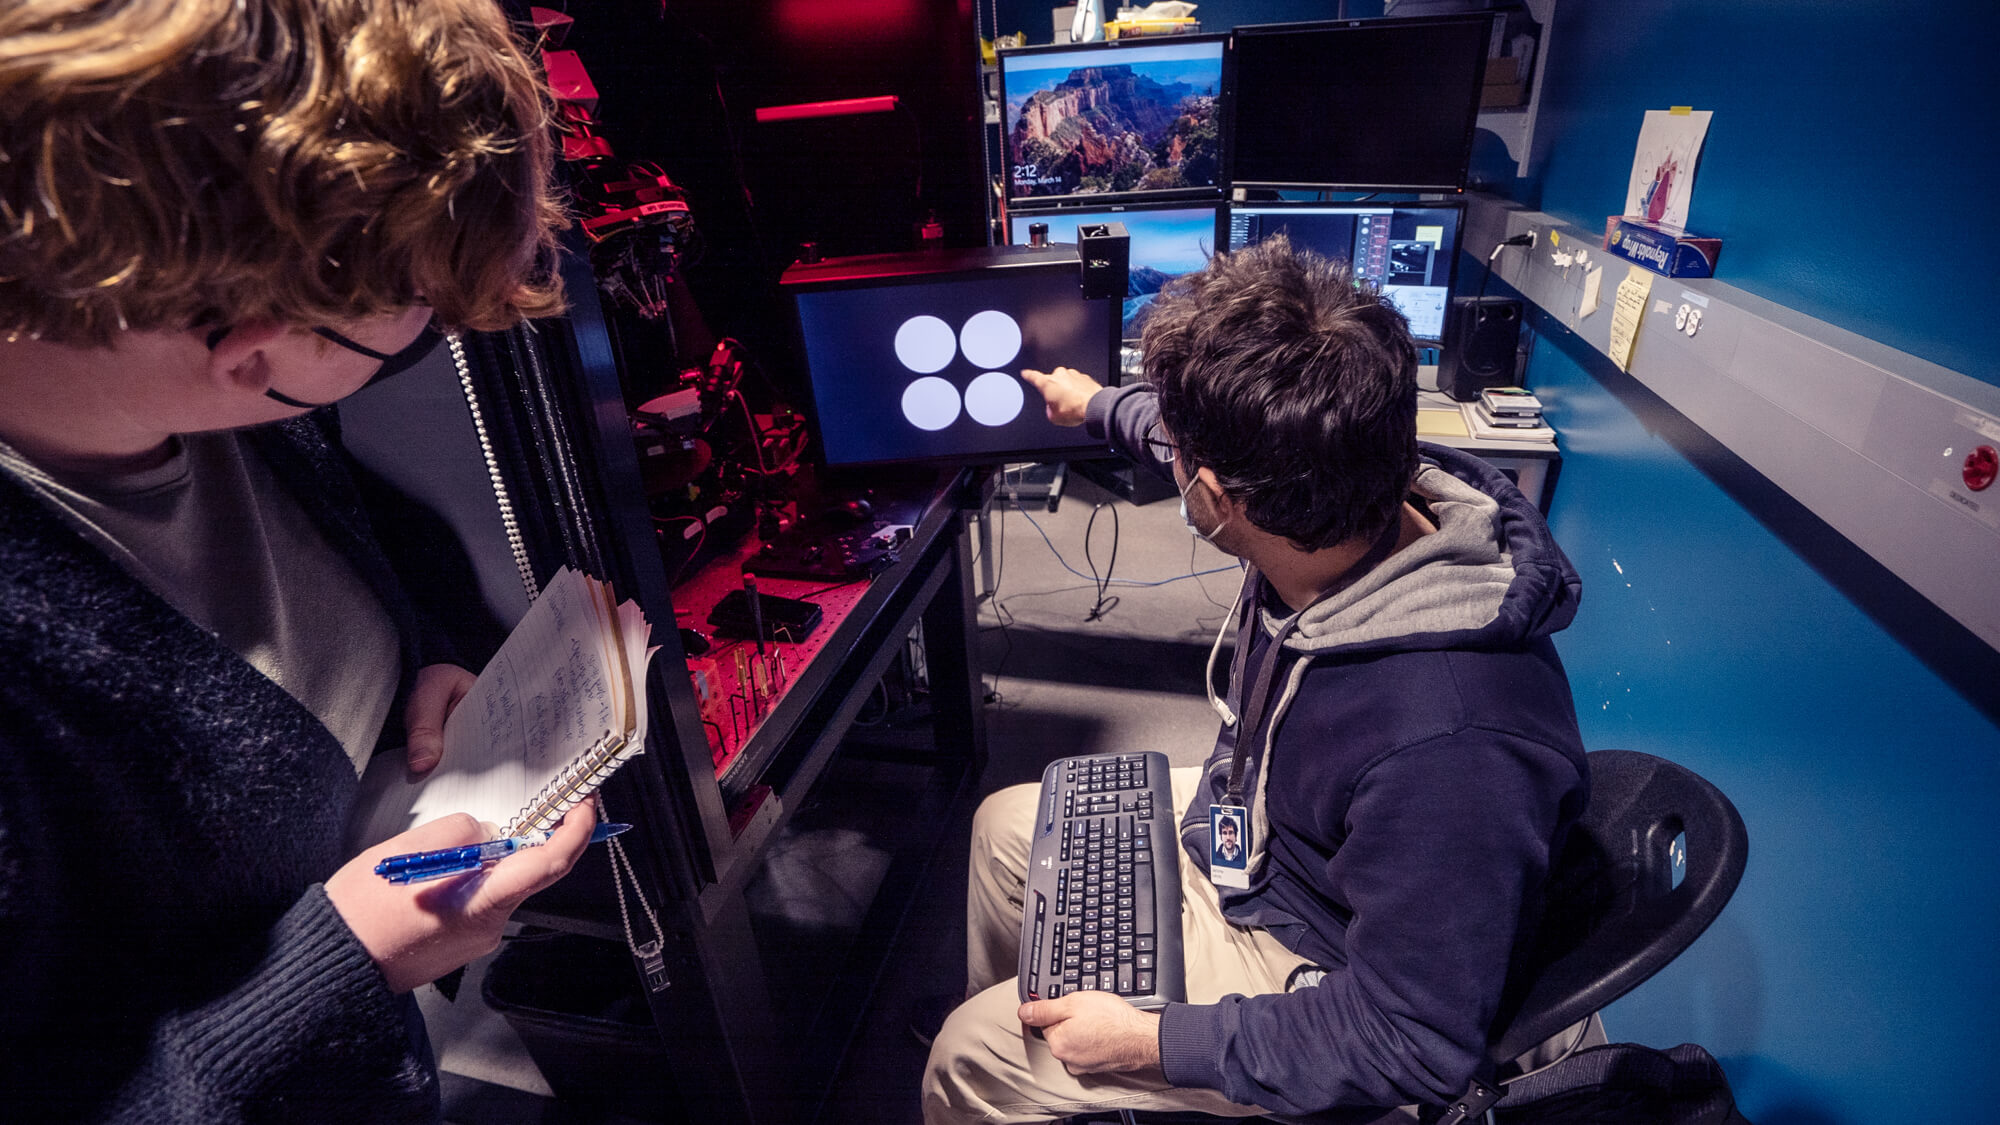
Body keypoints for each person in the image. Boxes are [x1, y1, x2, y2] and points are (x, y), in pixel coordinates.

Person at [0, 1, 593, 1120]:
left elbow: (309, 582)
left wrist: (411, 669)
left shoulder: (228, 405)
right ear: (250, 344)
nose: (420, 339)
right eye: (407, 318)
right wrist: (334, 970)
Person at [921, 237, 1592, 1123]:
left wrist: (1152, 1044)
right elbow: (1173, 435)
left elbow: (1410, 1040)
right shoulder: (1339, 484)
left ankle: (1025, 1065)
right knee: (1009, 824)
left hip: (1321, 962)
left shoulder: (1451, 742)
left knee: (965, 1057)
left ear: (1209, 504)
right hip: (1270, 842)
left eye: (1188, 467)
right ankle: (1054, 1030)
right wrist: (1091, 403)